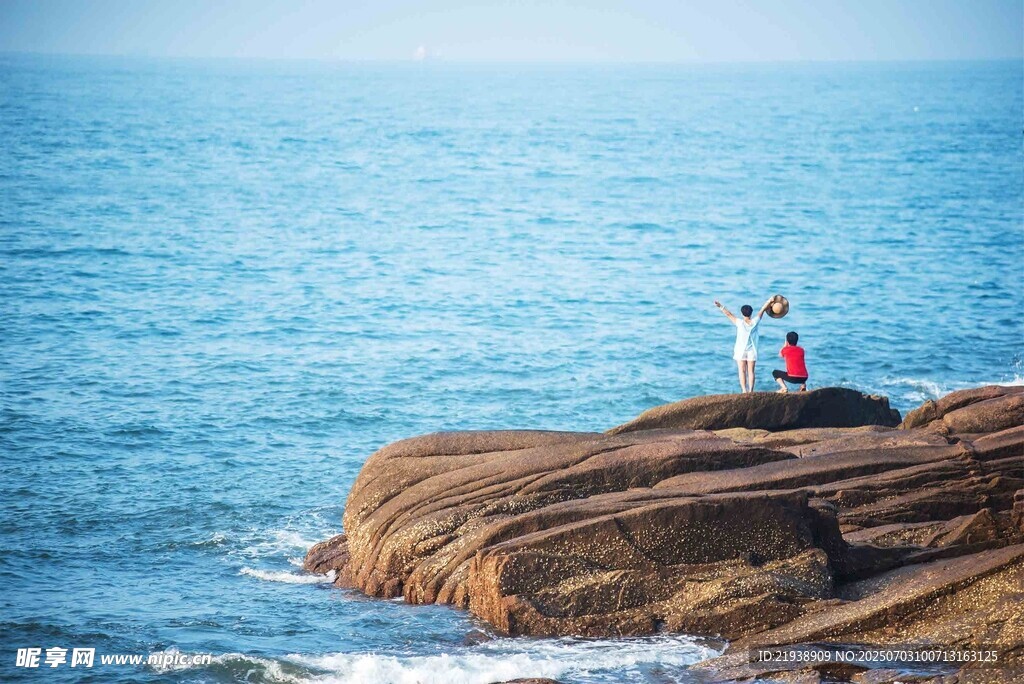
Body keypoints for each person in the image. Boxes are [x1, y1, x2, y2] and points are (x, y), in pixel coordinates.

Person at [714, 297, 773, 393]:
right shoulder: (755, 322)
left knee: (742, 371)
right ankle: (751, 391)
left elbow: (728, 314)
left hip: (741, 350)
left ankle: (744, 390)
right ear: (751, 313)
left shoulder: (739, 323)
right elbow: (762, 310)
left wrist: (720, 306)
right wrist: (769, 301)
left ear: (742, 313)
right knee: (751, 371)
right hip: (752, 351)